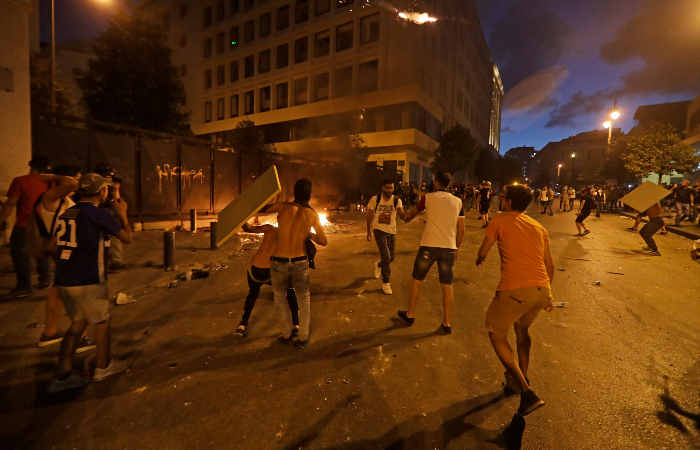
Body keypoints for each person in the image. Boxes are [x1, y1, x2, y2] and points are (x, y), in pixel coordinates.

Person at [47, 174, 134, 394]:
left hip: (65, 280)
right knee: (102, 321)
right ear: (101, 191)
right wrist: (123, 214)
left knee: (77, 324)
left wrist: (68, 265)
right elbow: (126, 238)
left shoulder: (69, 212)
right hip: (89, 280)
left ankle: (61, 375)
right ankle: (103, 367)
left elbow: (51, 247)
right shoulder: (98, 213)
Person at [475, 184, 553, 416]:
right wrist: (549, 293)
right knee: (522, 329)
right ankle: (521, 377)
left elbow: (483, 250)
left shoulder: (498, 221)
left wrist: (479, 259)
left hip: (515, 289)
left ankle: (527, 393)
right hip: (541, 288)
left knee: (496, 333)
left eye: (503, 197)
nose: (501, 199)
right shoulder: (538, 226)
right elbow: (549, 264)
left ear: (508, 202)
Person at [397, 171, 465, 334]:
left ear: (436, 183)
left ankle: (411, 315)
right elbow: (461, 231)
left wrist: (402, 215)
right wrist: (456, 247)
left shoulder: (427, 198)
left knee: (417, 280)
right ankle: (447, 323)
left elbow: (410, 215)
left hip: (428, 246)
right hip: (448, 247)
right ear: (448, 184)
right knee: (447, 286)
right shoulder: (458, 202)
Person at [36, 166, 94, 351]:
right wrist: (51, 176)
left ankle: (50, 332)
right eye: (75, 178)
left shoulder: (62, 199)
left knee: (58, 291)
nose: (77, 184)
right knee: (75, 292)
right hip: (63, 250)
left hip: (64, 249)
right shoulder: (50, 197)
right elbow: (70, 183)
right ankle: (80, 338)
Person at [265, 179, 327, 349]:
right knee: (304, 299)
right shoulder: (312, 214)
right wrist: (309, 235)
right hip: (300, 261)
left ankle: (286, 334)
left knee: (279, 297)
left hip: (279, 261)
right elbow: (323, 240)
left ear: (294, 193)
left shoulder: (282, 206)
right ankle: (302, 337)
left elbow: (260, 208)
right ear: (310, 195)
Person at [235, 220, 299, 337]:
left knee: (253, 294)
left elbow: (248, 229)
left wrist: (243, 218)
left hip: (253, 269)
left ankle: (242, 325)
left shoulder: (269, 229)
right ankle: (296, 325)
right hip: (269, 272)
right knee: (290, 291)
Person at [0, 156, 51, 299]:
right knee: (42, 250)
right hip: (45, 223)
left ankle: (24, 286)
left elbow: (10, 204)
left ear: (31, 165)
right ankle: (45, 279)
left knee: (20, 254)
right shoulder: (51, 182)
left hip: (24, 224)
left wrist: (0, 221)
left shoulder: (20, 181)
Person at [366, 180, 406, 295]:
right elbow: (369, 215)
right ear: (383, 187)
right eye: (388, 188)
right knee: (387, 256)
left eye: (392, 188)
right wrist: (368, 231)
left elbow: (401, 213)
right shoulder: (375, 199)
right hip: (378, 230)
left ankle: (379, 264)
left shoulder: (397, 200)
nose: (390, 190)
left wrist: (406, 217)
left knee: (391, 257)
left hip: (391, 231)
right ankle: (386, 283)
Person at [95, 163, 129, 271]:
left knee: (115, 233)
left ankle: (116, 261)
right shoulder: (95, 184)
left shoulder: (111, 185)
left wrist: (116, 190)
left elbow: (116, 202)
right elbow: (102, 202)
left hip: (107, 212)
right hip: (96, 211)